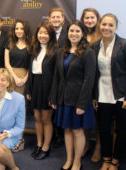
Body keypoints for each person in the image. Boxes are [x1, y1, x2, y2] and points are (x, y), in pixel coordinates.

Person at [50, 20, 96, 170]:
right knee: (67, 130)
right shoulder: (61, 51)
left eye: (77, 31)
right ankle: (69, 159)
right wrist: (54, 97)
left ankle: (77, 162)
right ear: (67, 33)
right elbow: (57, 77)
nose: (74, 34)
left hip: (79, 100)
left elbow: (89, 80)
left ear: (83, 33)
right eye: (71, 31)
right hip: (64, 98)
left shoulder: (88, 52)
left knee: (77, 131)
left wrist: (82, 104)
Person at [91, 13, 126, 170]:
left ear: (116, 27)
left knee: (120, 130)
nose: (106, 28)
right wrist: (94, 96)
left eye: (110, 25)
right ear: (100, 25)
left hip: (121, 95)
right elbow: (94, 74)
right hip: (102, 93)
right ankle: (106, 158)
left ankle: (116, 160)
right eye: (104, 24)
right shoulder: (95, 46)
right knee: (104, 129)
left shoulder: (125, 44)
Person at [27, 22, 57, 160]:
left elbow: (57, 76)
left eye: (46, 33)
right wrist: (29, 90)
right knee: (37, 118)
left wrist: (53, 94)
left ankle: (46, 147)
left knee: (46, 119)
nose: (43, 36)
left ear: (51, 35)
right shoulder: (34, 49)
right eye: (40, 33)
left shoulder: (55, 51)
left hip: (48, 88)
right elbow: (31, 71)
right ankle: (39, 145)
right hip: (35, 86)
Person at [4, 19, 31, 152]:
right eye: (17, 29)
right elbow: (7, 63)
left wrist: (25, 78)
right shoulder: (9, 43)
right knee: (9, 109)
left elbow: (33, 64)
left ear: (25, 30)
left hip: (25, 79)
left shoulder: (31, 44)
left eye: (21, 28)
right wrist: (14, 77)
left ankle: (19, 139)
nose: (19, 31)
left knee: (21, 110)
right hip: (10, 78)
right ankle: (9, 138)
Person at [80, 7, 102, 162]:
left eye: (92, 18)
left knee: (100, 117)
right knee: (86, 115)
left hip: (100, 81)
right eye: (86, 18)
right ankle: (86, 143)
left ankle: (99, 147)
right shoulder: (79, 35)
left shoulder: (103, 34)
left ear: (97, 19)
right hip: (83, 82)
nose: (89, 20)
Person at [48, 7, 67, 148]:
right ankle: (53, 134)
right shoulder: (45, 33)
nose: (56, 19)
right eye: (53, 17)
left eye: (58, 17)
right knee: (49, 106)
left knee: (59, 106)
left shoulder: (69, 34)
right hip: (47, 75)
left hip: (62, 76)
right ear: (49, 19)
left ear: (63, 19)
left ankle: (60, 135)